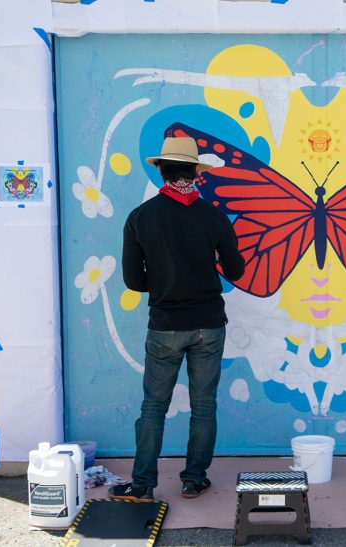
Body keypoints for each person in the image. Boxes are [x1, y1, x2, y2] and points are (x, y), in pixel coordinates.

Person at [109, 136, 245, 502]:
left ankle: (141, 485)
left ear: (160, 171)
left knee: (153, 406)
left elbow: (134, 281)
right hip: (208, 325)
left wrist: (167, 277)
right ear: (197, 173)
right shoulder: (213, 216)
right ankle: (194, 479)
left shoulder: (140, 217)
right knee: (204, 405)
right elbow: (236, 269)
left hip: (165, 325)